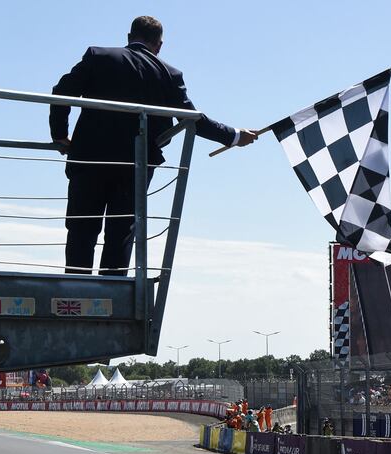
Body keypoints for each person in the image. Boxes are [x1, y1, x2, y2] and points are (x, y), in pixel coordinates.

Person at [50, 16, 258, 275]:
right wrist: (235, 136)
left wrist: (60, 135)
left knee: (82, 227)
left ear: (129, 37)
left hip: (90, 158)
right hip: (135, 165)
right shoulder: (169, 74)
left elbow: (61, 92)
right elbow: (193, 120)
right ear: (159, 45)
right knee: (121, 231)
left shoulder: (97, 56)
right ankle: (112, 293)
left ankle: (76, 288)